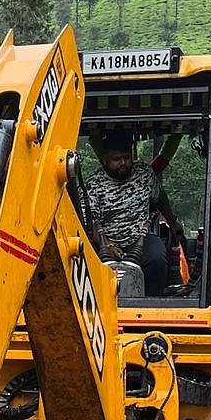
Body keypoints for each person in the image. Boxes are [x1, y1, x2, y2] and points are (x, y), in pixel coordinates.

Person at [85, 126, 184, 294]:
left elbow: (160, 197)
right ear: (105, 160)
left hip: (141, 238)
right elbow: (92, 222)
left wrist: (173, 223)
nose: (123, 163)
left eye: (126, 157)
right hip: (106, 241)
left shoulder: (144, 174)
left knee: (157, 257)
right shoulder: (93, 184)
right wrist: (107, 245)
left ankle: (153, 302)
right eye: (116, 159)